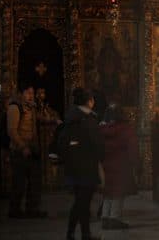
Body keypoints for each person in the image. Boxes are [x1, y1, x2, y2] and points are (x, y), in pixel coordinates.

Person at [62, 87, 104, 240]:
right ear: (89, 102)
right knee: (83, 202)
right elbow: (97, 144)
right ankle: (81, 234)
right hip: (87, 167)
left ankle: (76, 233)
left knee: (81, 201)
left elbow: (64, 143)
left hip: (74, 167)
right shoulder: (88, 119)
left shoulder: (71, 118)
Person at [7, 81, 46, 218]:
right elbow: (12, 131)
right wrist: (22, 146)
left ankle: (32, 209)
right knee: (19, 182)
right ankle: (15, 210)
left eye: (32, 93)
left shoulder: (32, 108)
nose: (31, 96)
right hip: (20, 151)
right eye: (28, 93)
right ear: (20, 93)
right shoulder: (14, 107)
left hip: (32, 149)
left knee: (35, 181)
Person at [100, 103, 140, 230]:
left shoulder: (101, 129)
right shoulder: (126, 129)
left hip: (106, 164)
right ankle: (115, 218)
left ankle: (105, 217)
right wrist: (136, 164)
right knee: (118, 192)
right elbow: (132, 148)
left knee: (107, 192)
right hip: (121, 165)